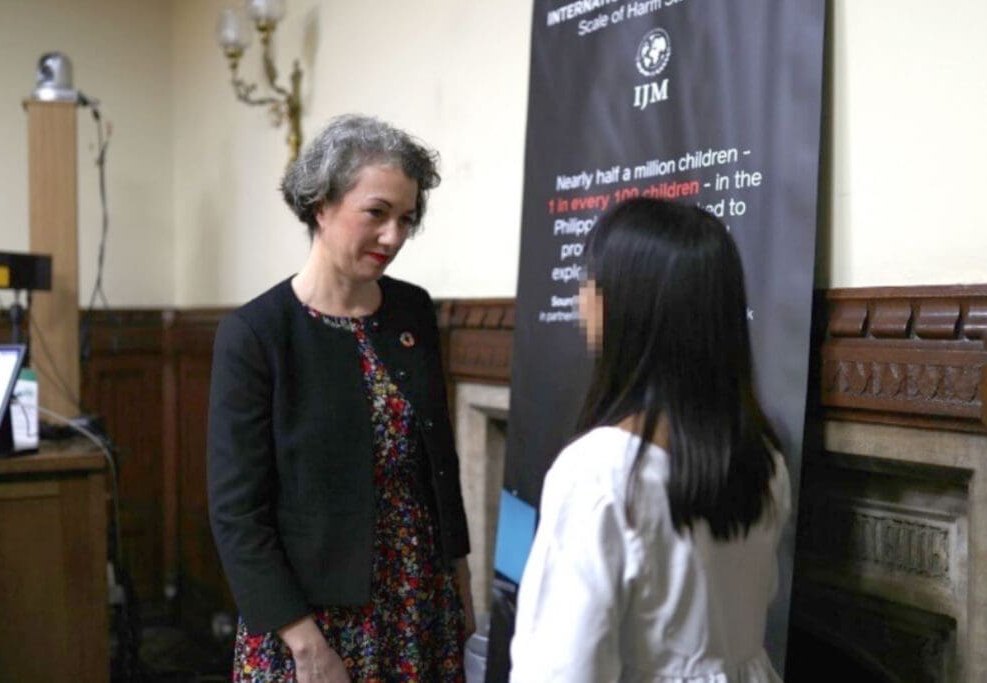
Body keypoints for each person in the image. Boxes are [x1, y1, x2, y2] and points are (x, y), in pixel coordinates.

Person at [208, 114, 475, 683]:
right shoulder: (257, 333)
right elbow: (237, 512)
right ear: (320, 205)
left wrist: (459, 577)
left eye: (407, 219)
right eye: (376, 213)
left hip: (417, 601)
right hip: (312, 619)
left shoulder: (413, 311)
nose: (394, 237)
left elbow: (439, 458)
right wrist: (306, 646)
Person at [509, 198, 791, 682]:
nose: (581, 298)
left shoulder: (600, 471)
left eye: (589, 281)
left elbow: (559, 668)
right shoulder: (764, 459)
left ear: (625, 306)